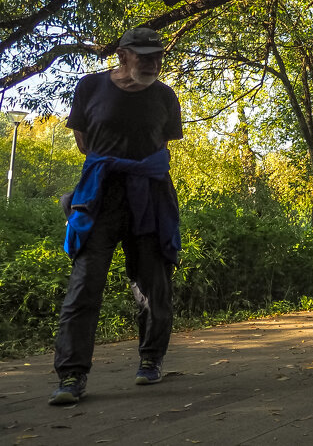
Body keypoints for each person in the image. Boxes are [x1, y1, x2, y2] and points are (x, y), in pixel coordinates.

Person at [49, 27, 184, 405]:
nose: (154, 62)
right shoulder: (90, 87)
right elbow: (83, 142)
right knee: (84, 285)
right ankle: (72, 376)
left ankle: (151, 359)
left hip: (149, 197)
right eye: (145, 56)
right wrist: (115, 165)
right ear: (123, 56)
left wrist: (135, 168)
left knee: (154, 285)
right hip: (101, 198)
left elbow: (162, 143)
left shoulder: (164, 96)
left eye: (158, 55)